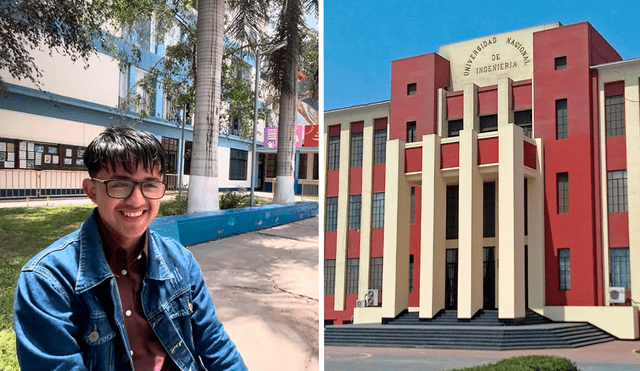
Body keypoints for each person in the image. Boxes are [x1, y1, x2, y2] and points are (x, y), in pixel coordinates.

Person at [13, 126, 247, 370]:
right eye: (120, 184)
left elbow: (216, 346)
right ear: (91, 191)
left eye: (149, 184)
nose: (137, 200)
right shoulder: (47, 281)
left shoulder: (180, 262)